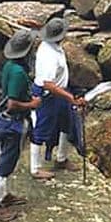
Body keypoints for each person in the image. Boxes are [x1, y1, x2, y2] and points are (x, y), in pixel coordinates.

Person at [0, 29, 41, 222]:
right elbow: (12, 103)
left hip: (7, 120)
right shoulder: (18, 72)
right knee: (7, 161)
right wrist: (32, 104)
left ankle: (4, 194)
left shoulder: (10, 65)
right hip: (13, 122)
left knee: (9, 157)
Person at [30, 17, 86, 179]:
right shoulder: (49, 56)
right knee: (42, 129)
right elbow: (48, 84)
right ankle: (35, 168)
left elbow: (43, 30)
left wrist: (35, 25)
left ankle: (61, 158)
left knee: (66, 124)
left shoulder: (51, 43)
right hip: (48, 95)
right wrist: (70, 98)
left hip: (60, 91)